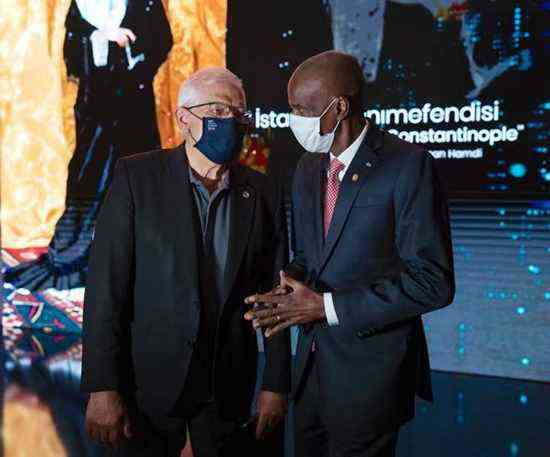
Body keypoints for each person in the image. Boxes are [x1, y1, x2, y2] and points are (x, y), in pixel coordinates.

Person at [245, 51, 455, 457]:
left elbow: (433, 282)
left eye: (302, 110)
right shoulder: (307, 168)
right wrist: (286, 288)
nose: (294, 120)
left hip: (370, 380)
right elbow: (310, 256)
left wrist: (325, 307)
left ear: (339, 107)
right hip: (311, 373)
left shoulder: (407, 165)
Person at [81, 68, 289, 457]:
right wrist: (102, 386)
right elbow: (105, 289)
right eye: (218, 110)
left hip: (226, 391)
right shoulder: (136, 178)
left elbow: (275, 296)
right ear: (183, 118)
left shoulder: (262, 191)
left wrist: (276, 384)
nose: (231, 121)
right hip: (145, 391)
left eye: (238, 113)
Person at [4, 0, 173, 291]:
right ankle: (83, 256)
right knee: (90, 177)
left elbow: (162, 40)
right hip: (96, 110)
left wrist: (135, 60)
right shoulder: (82, 5)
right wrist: (102, 37)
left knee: (139, 179)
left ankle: (140, 258)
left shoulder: (144, 3)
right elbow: (71, 55)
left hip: (135, 107)